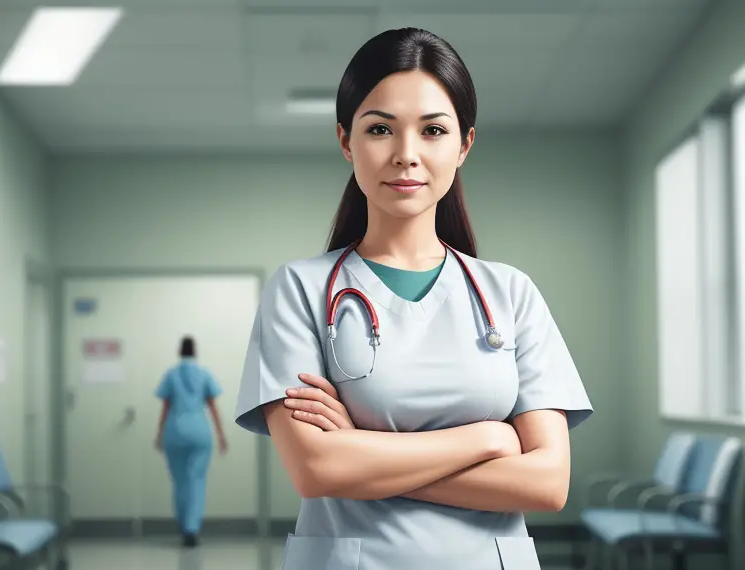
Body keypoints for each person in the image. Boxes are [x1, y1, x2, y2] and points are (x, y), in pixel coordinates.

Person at [235, 28, 593, 570]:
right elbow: (317, 471)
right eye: (380, 128)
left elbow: (547, 483)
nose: (406, 155)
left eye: (432, 130)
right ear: (345, 141)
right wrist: (490, 437)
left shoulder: (511, 294)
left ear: (464, 145)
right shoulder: (300, 290)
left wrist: (362, 451)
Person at [154, 336, 228, 548]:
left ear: (180, 351)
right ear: (194, 351)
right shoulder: (204, 374)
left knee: (180, 483)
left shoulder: (171, 374)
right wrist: (221, 436)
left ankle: (183, 526)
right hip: (199, 433)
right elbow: (213, 408)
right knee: (196, 482)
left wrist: (159, 435)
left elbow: (165, 408)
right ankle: (192, 529)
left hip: (175, 432)